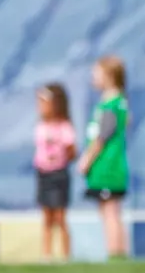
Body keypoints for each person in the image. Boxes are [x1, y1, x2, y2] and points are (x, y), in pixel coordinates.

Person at [78, 55, 130, 259]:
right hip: (111, 166)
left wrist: (87, 159)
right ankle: (118, 252)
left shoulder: (110, 107)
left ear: (109, 76)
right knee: (110, 211)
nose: (93, 78)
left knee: (110, 212)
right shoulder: (119, 103)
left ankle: (115, 252)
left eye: (97, 73)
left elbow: (102, 137)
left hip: (107, 168)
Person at [34, 84, 77, 261]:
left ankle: (66, 255)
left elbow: (71, 149)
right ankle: (47, 254)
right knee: (47, 217)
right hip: (43, 173)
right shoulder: (41, 126)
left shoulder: (64, 127)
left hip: (58, 174)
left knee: (60, 216)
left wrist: (59, 159)